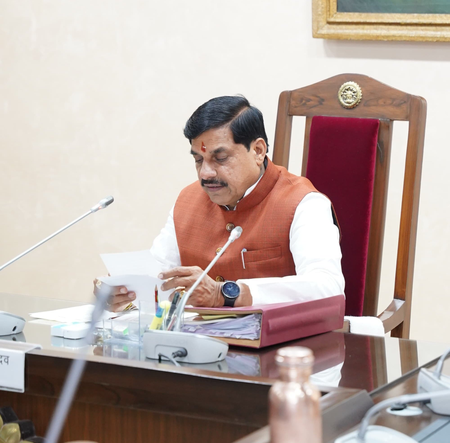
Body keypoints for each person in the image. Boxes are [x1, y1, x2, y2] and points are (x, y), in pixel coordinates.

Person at [103, 95, 344, 312]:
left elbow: (328, 287)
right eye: (198, 160)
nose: (205, 174)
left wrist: (230, 294)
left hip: (279, 344)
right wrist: (123, 292)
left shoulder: (303, 203)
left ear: (258, 151)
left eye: (220, 158)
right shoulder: (188, 200)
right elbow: (158, 274)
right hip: (196, 343)